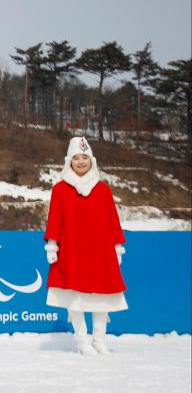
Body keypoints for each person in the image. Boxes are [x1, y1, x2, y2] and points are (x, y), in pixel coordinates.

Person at [44, 136, 127, 356]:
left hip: (100, 251)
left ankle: (99, 339)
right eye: (76, 158)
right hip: (72, 249)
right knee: (74, 296)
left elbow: (112, 220)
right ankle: (82, 340)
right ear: (69, 161)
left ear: (92, 160)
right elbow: (55, 219)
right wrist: (52, 245)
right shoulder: (60, 189)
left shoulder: (103, 190)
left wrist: (117, 246)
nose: (81, 162)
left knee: (103, 296)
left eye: (85, 157)